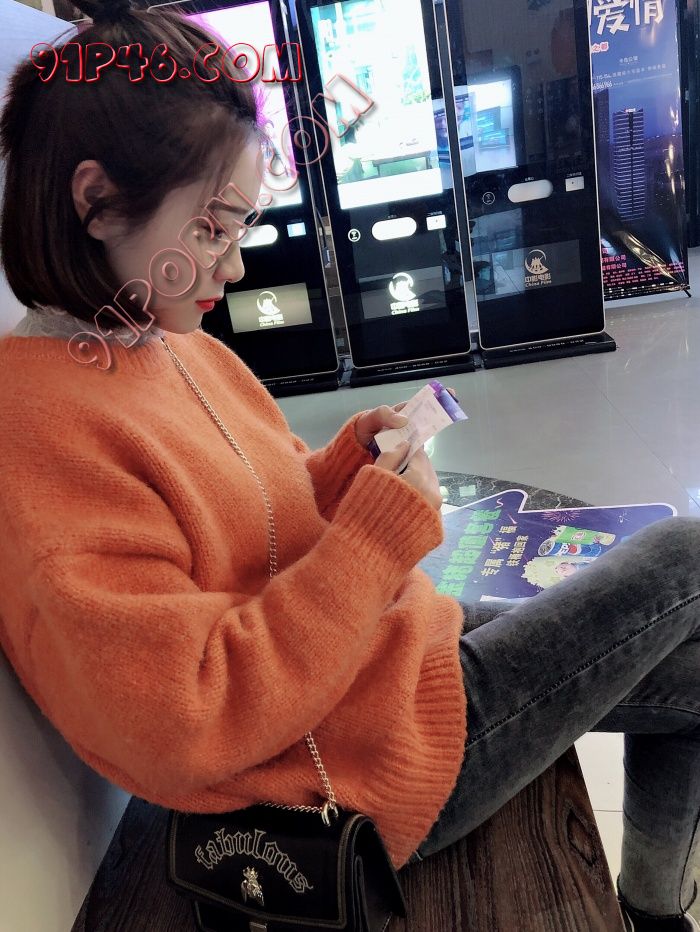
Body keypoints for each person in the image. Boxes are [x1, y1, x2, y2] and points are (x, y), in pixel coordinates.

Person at [0, 3, 698, 930]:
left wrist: (344, 468)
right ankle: (658, 911)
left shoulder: (159, 337)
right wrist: (372, 540)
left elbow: (260, 521)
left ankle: (657, 911)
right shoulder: (38, 432)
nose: (234, 268)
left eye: (240, 227)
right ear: (94, 202)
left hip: (384, 671)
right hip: (355, 769)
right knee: (685, 558)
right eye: (211, 231)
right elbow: (186, 721)